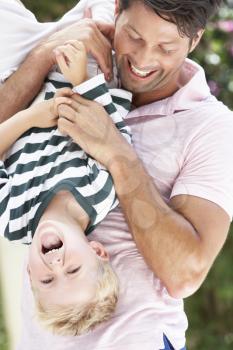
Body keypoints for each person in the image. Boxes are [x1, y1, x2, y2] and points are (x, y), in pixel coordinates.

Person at [1, 0, 233, 349]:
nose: (142, 60)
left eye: (166, 48)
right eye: (133, 37)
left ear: (194, 41)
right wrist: (45, 53)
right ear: (116, 10)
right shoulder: (81, 48)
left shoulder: (211, 127)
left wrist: (115, 151)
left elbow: (185, 273)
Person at [0, 31, 132, 336]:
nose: (56, 264)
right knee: (104, 16)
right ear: (97, 251)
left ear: (29, 274)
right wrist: (81, 79)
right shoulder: (101, 193)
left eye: (47, 281)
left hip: (19, 74)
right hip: (87, 71)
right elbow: (112, 135)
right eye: (73, 270)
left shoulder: (12, 218)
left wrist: (32, 118)